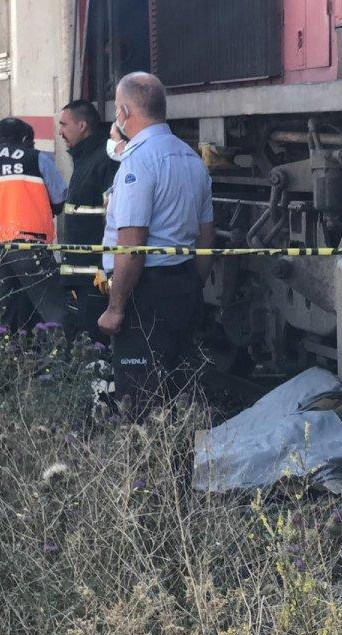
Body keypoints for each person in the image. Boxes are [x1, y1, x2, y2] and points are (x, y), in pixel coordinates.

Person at [97, 72, 214, 417]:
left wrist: (116, 307)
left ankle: (147, 469)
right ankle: (177, 466)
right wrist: (194, 284)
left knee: (140, 399)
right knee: (178, 393)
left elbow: (132, 242)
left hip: (143, 293)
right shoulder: (191, 158)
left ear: (124, 111)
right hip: (182, 284)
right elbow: (206, 235)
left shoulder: (139, 159)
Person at [0, 117, 68, 330]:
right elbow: (59, 200)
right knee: (55, 310)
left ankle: (11, 360)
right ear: (24, 138)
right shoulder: (36, 158)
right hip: (29, 247)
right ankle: (69, 358)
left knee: (6, 314)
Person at [59, 100, 120, 334]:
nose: (60, 132)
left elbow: (112, 218)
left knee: (96, 344)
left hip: (96, 280)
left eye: (64, 124)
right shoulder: (85, 159)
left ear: (82, 125)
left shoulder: (103, 161)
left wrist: (107, 272)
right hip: (83, 278)